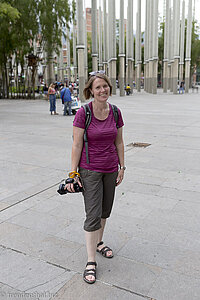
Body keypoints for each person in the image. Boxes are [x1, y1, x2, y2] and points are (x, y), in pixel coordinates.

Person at [65, 72, 125, 284]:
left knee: (105, 210)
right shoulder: (83, 113)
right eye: (98, 87)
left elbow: (118, 142)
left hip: (110, 169)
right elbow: (76, 144)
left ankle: (99, 243)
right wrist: (73, 174)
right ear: (91, 90)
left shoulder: (115, 112)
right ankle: (91, 260)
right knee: (93, 214)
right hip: (89, 170)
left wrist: (122, 167)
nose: (103, 90)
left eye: (105, 86)